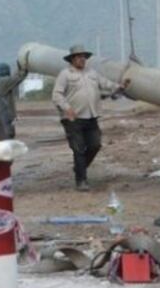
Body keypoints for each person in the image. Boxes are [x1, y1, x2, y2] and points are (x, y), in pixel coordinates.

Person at [52, 45, 130, 191]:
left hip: (91, 116)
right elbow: (57, 95)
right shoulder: (65, 74)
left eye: (84, 57)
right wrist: (67, 108)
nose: (82, 59)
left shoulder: (92, 73)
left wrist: (119, 86)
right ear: (72, 59)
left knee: (95, 145)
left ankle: (79, 168)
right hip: (73, 118)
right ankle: (81, 180)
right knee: (79, 149)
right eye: (78, 56)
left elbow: (106, 84)